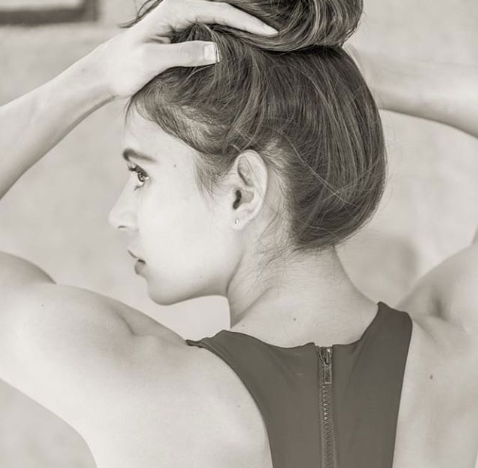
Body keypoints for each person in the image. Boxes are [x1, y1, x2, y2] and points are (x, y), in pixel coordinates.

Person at [0, 0, 477, 467]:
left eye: (142, 174)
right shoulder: (459, 352)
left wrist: (95, 76)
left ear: (242, 191)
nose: (119, 214)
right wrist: (357, 79)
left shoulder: (136, 386)